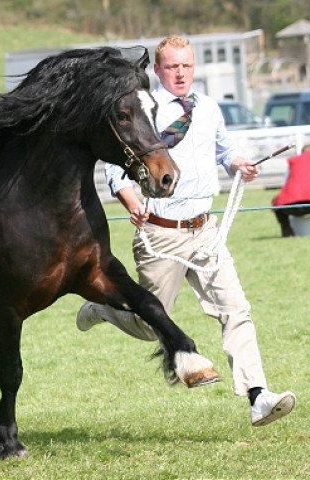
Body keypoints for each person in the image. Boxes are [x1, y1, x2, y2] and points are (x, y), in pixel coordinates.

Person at [77, 35, 296, 427]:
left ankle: (257, 395)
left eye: (187, 66)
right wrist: (132, 202)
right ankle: (103, 309)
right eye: (172, 67)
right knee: (149, 325)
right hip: (161, 234)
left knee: (236, 310)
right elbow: (114, 170)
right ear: (158, 70)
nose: (181, 73)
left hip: (205, 230)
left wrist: (238, 162)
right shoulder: (145, 109)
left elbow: (224, 149)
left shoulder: (209, 108)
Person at [272, 144, 310, 237]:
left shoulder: (294, 161)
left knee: (277, 203)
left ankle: (287, 231)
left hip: (289, 207)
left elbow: (285, 183)